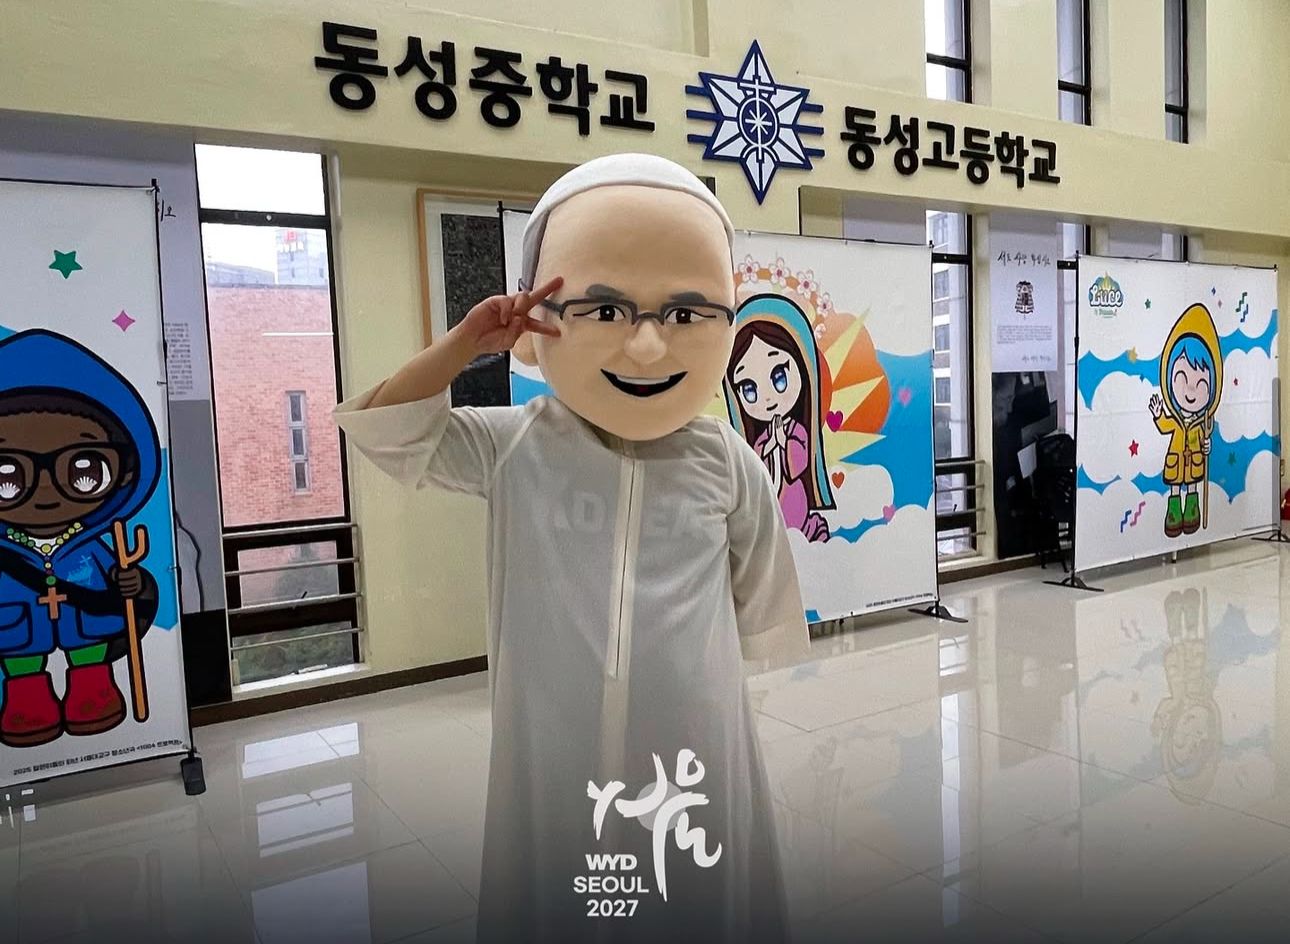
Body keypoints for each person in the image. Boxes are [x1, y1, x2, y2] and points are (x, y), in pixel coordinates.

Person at [335, 154, 807, 943]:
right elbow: (387, 431)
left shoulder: (725, 460)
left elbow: (763, 597)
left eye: (686, 313)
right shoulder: (513, 445)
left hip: (692, 732)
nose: (648, 347)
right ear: (541, 322)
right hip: (553, 742)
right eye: (607, 309)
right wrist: (468, 343)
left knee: (690, 891)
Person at [0, 330, 159, 748]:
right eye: (7, 475)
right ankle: (26, 702)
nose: (45, 491)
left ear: (123, 472)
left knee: (89, 655)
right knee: (22, 666)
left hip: (85, 627)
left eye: (84, 470)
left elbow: (122, 582)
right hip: (17, 628)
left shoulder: (90, 545)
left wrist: (132, 583)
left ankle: (93, 692)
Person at [724, 294, 834, 543]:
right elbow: (757, 466)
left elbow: (798, 466)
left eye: (779, 377)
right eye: (749, 389)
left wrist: (784, 442)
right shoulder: (760, 439)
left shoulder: (797, 431)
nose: (767, 399)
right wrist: (770, 444)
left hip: (795, 507)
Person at [1149, 304, 1222, 538]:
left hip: (1194, 463)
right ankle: (1173, 513)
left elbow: (1204, 440)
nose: (1191, 390)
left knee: (1191, 486)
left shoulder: (1201, 424)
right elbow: (1164, 425)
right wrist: (1159, 414)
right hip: (1176, 462)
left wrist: (1207, 446)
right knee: (1174, 488)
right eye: (1181, 378)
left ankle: (1192, 510)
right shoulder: (1176, 421)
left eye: (1201, 384)